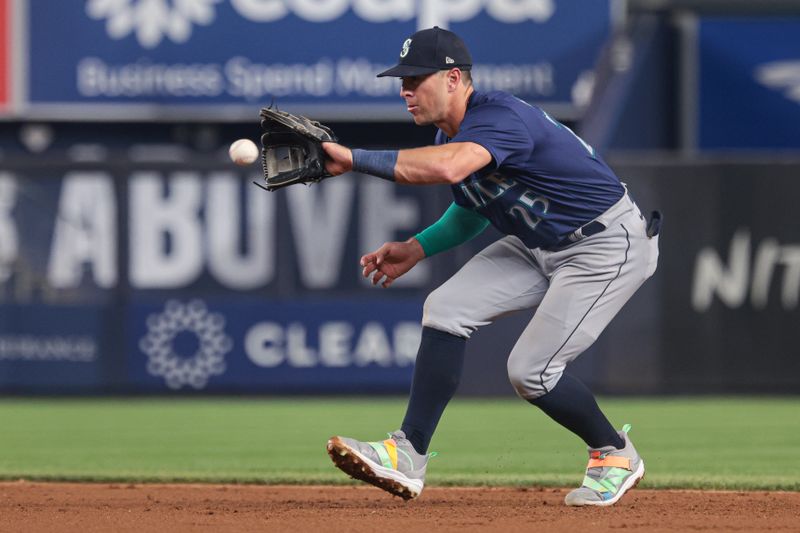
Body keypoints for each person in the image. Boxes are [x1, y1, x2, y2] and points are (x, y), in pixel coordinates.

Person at [321, 26, 660, 506]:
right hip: (538, 243)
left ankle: (615, 453)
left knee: (532, 371)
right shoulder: (452, 132)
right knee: (445, 307)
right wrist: (417, 247)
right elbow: (472, 207)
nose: (405, 90)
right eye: (403, 81)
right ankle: (407, 453)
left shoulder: (499, 117)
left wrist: (355, 158)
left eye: (417, 79)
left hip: (605, 244)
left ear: (454, 78)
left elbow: (448, 168)